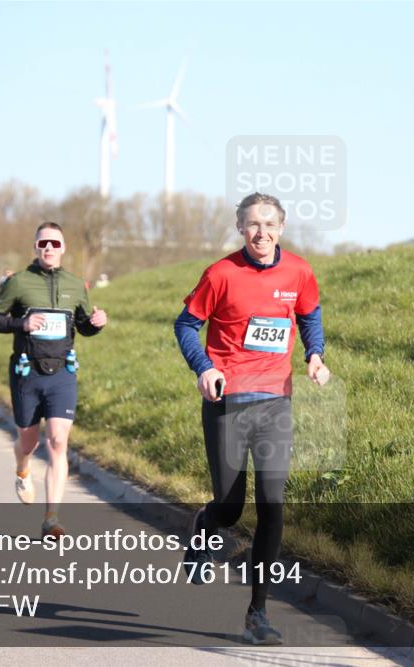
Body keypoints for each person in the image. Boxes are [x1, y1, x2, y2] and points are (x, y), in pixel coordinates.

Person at [174, 193, 330, 645]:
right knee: (229, 507)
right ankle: (206, 525)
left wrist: (315, 355)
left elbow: (309, 314)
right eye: (252, 224)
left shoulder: (298, 271)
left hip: (275, 401)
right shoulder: (220, 274)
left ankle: (257, 612)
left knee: (272, 505)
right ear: (240, 228)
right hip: (228, 401)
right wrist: (204, 368)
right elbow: (185, 325)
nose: (261, 232)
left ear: (281, 228)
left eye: (269, 224)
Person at [0, 222, 107, 538]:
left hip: (62, 373)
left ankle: (51, 518)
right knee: (29, 441)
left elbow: (82, 324)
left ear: (63, 248)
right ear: (36, 248)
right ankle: (22, 469)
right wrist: (21, 324)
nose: (49, 248)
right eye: (43, 244)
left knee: (57, 440)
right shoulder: (18, 282)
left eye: (54, 243)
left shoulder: (75, 284)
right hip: (27, 371)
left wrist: (96, 323)